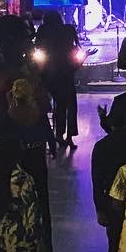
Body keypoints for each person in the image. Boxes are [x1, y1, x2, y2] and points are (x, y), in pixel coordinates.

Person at [91, 111, 126, 252]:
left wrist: (99, 209)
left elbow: (97, 181)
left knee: (114, 242)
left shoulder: (101, 146)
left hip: (111, 199)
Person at [38, 11, 81, 150]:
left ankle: (57, 135)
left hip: (48, 74)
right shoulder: (68, 30)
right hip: (66, 72)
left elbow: (38, 49)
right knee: (71, 105)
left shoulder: (43, 31)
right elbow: (75, 49)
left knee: (58, 104)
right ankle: (69, 136)